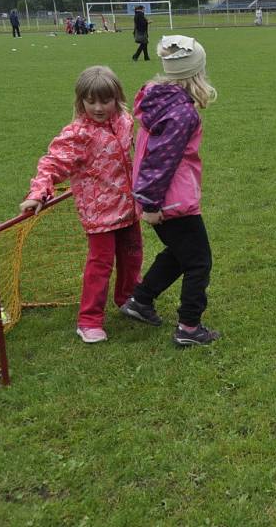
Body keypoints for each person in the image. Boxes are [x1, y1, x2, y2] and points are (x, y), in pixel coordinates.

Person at [20, 66, 142, 343]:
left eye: (105, 100)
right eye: (91, 101)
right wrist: (38, 192)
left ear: (117, 98)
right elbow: (51, 163)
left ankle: (128, 298)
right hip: (99, 214)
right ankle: (89, 320)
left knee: (133, 255)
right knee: (100, 265)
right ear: (81, 101)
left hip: (129, 207)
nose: (98, 107)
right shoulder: (78, 134)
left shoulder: (124, 120)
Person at [120, 35, 220, 347]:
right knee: (199, 261)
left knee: (180, 254)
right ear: (197, 73)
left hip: (161, 197)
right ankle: (189, 327)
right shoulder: (182, 113)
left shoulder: (156, 98)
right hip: (171, 200)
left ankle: (141, 300)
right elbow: (161, 159)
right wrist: (150, 203)